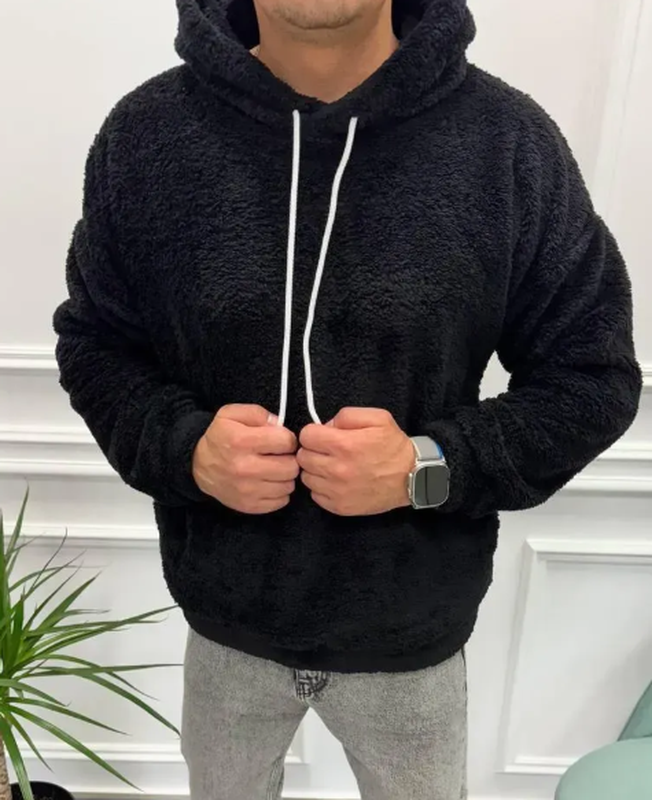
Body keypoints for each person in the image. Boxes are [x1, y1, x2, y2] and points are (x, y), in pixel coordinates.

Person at [53, 0, 642, 797]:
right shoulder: (147, 136)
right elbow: (96, 343)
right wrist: (184, 449)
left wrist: (428, 466)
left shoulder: (507, 143)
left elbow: (592, 376)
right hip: (223, 620)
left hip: (413, 633)